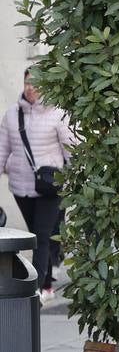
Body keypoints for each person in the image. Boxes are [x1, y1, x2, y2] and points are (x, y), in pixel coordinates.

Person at [0, 69, 74, 303]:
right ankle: (48, 273)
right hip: (21, 187)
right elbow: (3, 148)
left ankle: (40, 288)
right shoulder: (12, 115)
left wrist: (74, 179)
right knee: (35, 233)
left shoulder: (57, 113)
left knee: (41, 237)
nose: (31, 87)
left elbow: (71, 150)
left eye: (36, 83)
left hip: (51, 186)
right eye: (27, 82)